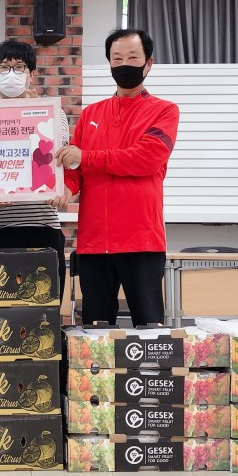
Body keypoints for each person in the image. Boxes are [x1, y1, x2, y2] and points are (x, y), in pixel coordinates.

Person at [52, 29, 180, 328]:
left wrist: (87, 157)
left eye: (133, 57)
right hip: (94, 244)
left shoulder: (164, 111)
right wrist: (63, 189)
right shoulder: (91, 114)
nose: (124, 65)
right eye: (117, 58)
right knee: (95, 334)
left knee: (149, 330)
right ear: (109, 63)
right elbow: (75, 170)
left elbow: (146, 158)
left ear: (148, 63)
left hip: (142, 242)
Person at [0, 40, 69, 301]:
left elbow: (56, 156)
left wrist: (35, 111)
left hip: (41, 224)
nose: (11, 74)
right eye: (4, 67)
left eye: (19, 67)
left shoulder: (52, 114)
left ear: (31, 74)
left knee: (43, 306)